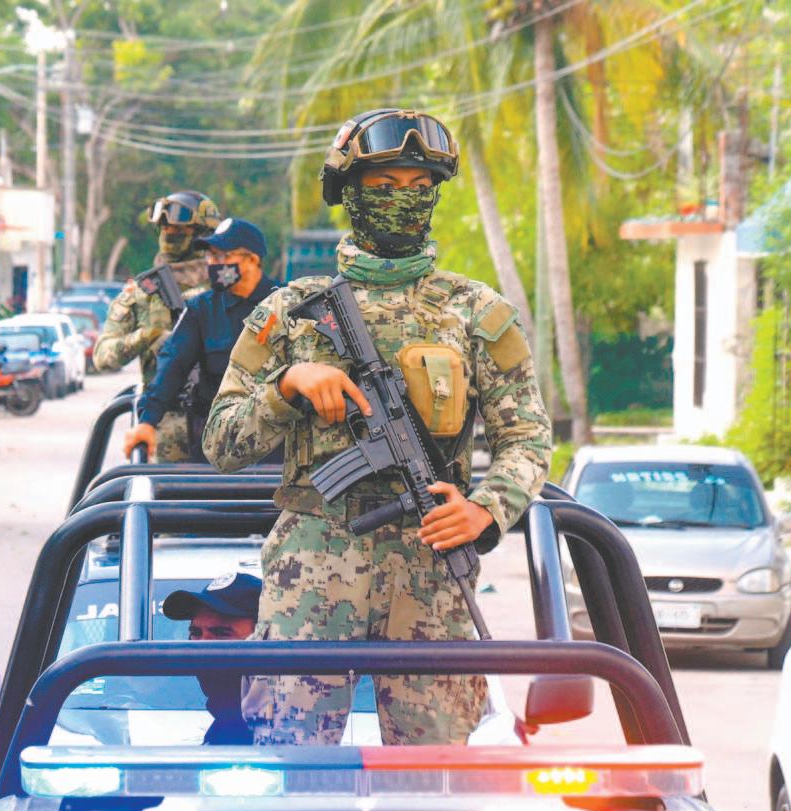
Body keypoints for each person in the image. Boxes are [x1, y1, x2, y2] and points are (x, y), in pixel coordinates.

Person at [202, 109, 552, 746]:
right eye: (385, 186)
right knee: (288, 761)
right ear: (349, 193)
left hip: (431, 558)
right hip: (313, 557)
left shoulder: (477, 312)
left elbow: (526, 438)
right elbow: (221, 443)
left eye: (420, 186)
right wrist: (287, 387)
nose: (404, 200)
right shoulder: (289, 312)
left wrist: (486, 509)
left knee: (436, 771)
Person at [122, 218, 279, 462]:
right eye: (210, 256)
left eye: (221, 256)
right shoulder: (201, 309)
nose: (212, 264)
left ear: (252, 259)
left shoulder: (284, 304)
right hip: (219, 447)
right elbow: (172, 366)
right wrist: (147, 421)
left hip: (277, 448)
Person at [94, 190, 220, 462]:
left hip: (222, 426)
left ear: (201, 233)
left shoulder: (226, 287)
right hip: (161, 430)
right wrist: (146, 337)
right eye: (164, 228)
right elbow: (103, 357)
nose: (169, 234)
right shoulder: (142, 292)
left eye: (178, 229)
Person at [162, 572, 260, 745]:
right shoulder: (227, 722)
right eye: (196, 633)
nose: (202, 647)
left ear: (261, 637)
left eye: (221, 633)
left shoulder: (273, 724)